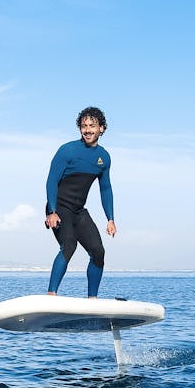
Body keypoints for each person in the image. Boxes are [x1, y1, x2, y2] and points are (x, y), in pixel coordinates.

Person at [45, 106, 116, 298]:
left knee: (98, 251)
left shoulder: (104, 158)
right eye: (84, 126)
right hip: (59, 207)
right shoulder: (67, 150)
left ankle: (92, 298)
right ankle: (51, 294)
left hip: (78, 210)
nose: (87, 130)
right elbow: (51, 181)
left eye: (92, 126)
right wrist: (52, 211)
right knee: (69, 245)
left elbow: (105, 188)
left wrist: (110, 219)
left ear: (101, 128)